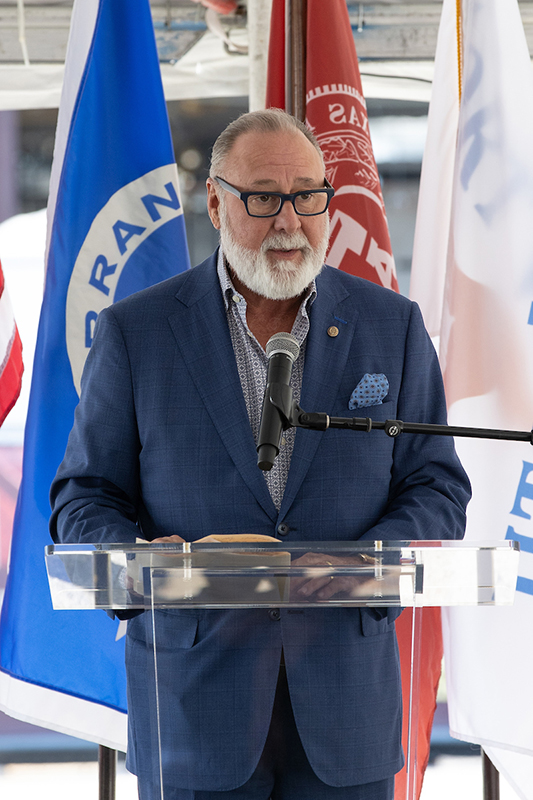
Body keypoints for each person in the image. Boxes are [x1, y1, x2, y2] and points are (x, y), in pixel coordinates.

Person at [50, 109, 471, 800]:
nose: (289, 219)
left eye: (307, 195)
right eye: (262, 197)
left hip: (346, 710)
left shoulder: (390, 326)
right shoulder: (139, 332)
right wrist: (169, 569)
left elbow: (435, 487)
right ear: (215, 202)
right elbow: (83, 498)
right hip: (191, 709)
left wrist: (357, 572)